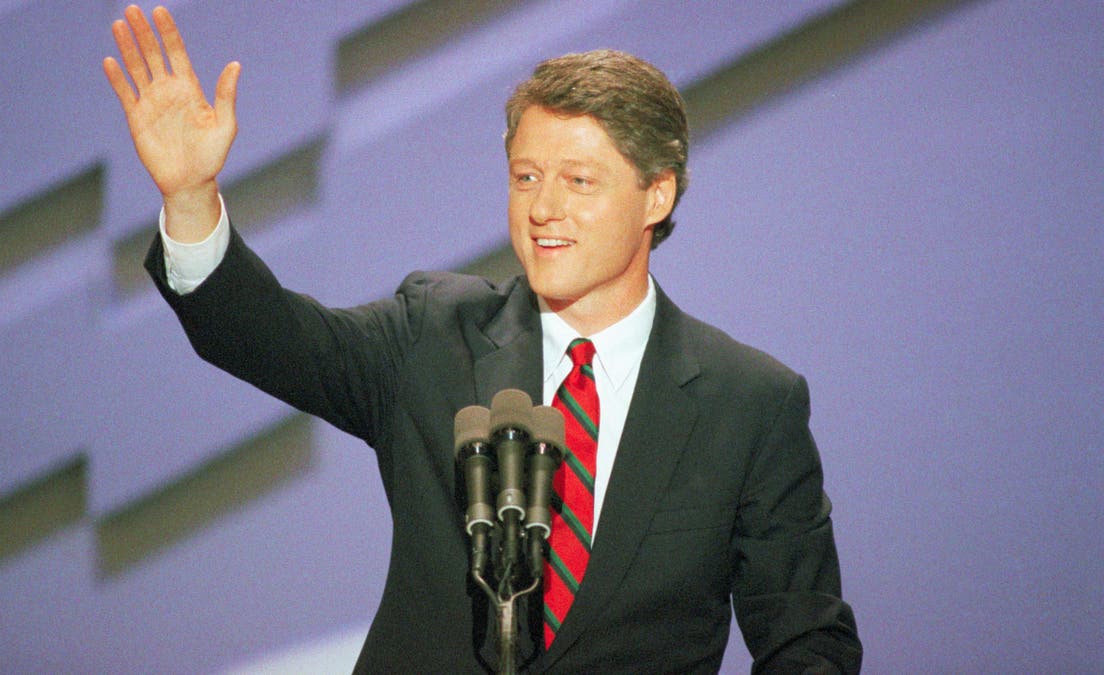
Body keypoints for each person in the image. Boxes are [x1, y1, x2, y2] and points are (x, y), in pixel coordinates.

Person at [104, 5, 861, 672]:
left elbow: (806, 642)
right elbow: (271, 339)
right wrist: (191, 196)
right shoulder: (436, 332)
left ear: (655, 193)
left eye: (579, 180)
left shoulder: (749, 403)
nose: (543, 208)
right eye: (526, 177)